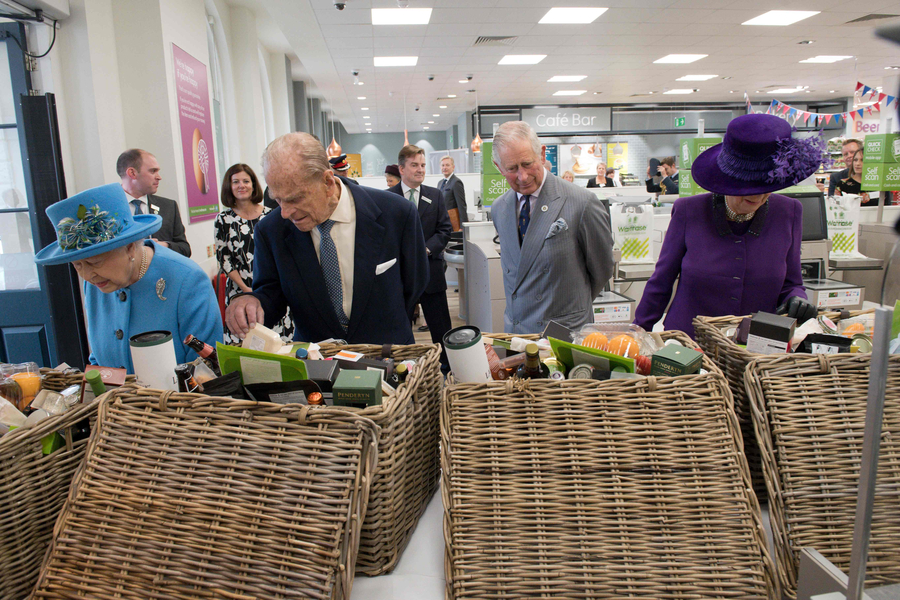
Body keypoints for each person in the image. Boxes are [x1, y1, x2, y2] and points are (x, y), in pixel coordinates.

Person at [225, 132, 429, 345]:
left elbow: (415, 282)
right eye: (278, 199)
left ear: (328, 182)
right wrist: (252, 302)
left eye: (295, 198)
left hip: (390, 354)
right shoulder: (271, 230)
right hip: (317, 360)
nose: (285, 212)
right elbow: (271, 294)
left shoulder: (396, 213)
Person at [634, 113, 820, 339]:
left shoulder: (788, 212)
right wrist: (637, 333)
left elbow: (791, 283)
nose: (759, 196)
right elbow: (661, 281)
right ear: (727, 180)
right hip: (689, 342)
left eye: (768, 185)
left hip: (757, 346)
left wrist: (797, 298)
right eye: (748, 187)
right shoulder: (689, 211)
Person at [34, 183, 222, 372]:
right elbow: (99, 357)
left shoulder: (186, 280)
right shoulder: (97, 283)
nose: (87, 275)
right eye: (77, 265)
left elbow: (208, 371)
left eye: (95, 262)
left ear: (130, 246)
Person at [491, 121, 615, 334]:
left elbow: (602, 269)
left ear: (541, 153)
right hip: (517, 333)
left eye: (528, 163)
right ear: (498, 166)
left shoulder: (582, 202)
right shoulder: (499, 209)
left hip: (563, 333)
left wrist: (571, 308)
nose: (522, 176)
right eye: (512, 169)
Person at [215, 163, 294, 345]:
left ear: (253, 185)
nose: (241, 185)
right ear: (229, 186)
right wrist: (247, 290)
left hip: (272, 290)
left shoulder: (272, 214)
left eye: (245, 181)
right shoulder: (223, 220)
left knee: (279, 344)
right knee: (248, 342)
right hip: (240, 290)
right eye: (235, 182)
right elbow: (224, 259)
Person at [389, 145, 453, 367]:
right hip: (399, 277)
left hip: (430, 273)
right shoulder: (388, 198)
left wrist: (424, 249)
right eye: (414, 165)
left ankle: (447, 366)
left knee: (441, 326)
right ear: (402, 168)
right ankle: (404, 366)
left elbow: (445, 230)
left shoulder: (435, 196)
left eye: (423, 165)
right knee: (400, 326)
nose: (420, 170)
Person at [117, 149, 191, 257]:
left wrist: (163, 246)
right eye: (153, 171)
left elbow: (185, 250)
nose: (159, 177)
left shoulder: (169, 207)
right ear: (132, 173)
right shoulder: (107, 210)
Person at [439, 155, 467, 231]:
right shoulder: (440, 183)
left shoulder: (456, 182)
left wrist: (463, 226)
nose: (445, 167)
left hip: (453, 224)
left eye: (447, 165)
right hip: (443, 223)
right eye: (443, 165)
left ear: (453, 167)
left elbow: (461, 205)